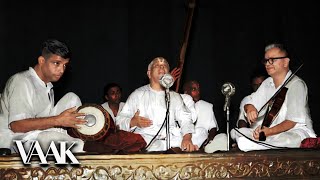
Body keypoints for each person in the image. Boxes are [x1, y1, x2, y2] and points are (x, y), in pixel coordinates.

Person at [0, 39, 86, 153]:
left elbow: (47, 121)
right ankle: (82, 146)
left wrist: (60, 121)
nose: (61, 70)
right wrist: (58, 120)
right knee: (52, 139)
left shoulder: (47, 87)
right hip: (14, 139)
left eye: (65, 65)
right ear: (41, 61)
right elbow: (17, 126)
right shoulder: (21, 81)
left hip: (39, 135)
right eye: (57, 63)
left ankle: (81, 139)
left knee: (72, 98)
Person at [231, 43, 316, 152]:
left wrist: (269, 132)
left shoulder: (296, 84)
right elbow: (249, 103)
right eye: (266, 60)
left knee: (288, 138)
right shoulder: (267, 83)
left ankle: (254, 144)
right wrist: (250, 108)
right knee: (236, 132)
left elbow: (291, 122)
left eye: (273, 60)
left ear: (285, 62)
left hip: (295, 132)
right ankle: (256, 144)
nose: (268, 64)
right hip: (270, 133)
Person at [116, 57, 199, 152]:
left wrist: (187, 138)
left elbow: (186, 119)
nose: (161, 67)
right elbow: (119, 121)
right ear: (149, 73)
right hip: (146, 138)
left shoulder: (175, 96)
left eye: (164, 66)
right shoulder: (138, 94)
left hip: (171, 139)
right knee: (131, 141)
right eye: (157, 65)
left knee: (200, 133)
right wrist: (133, 122)